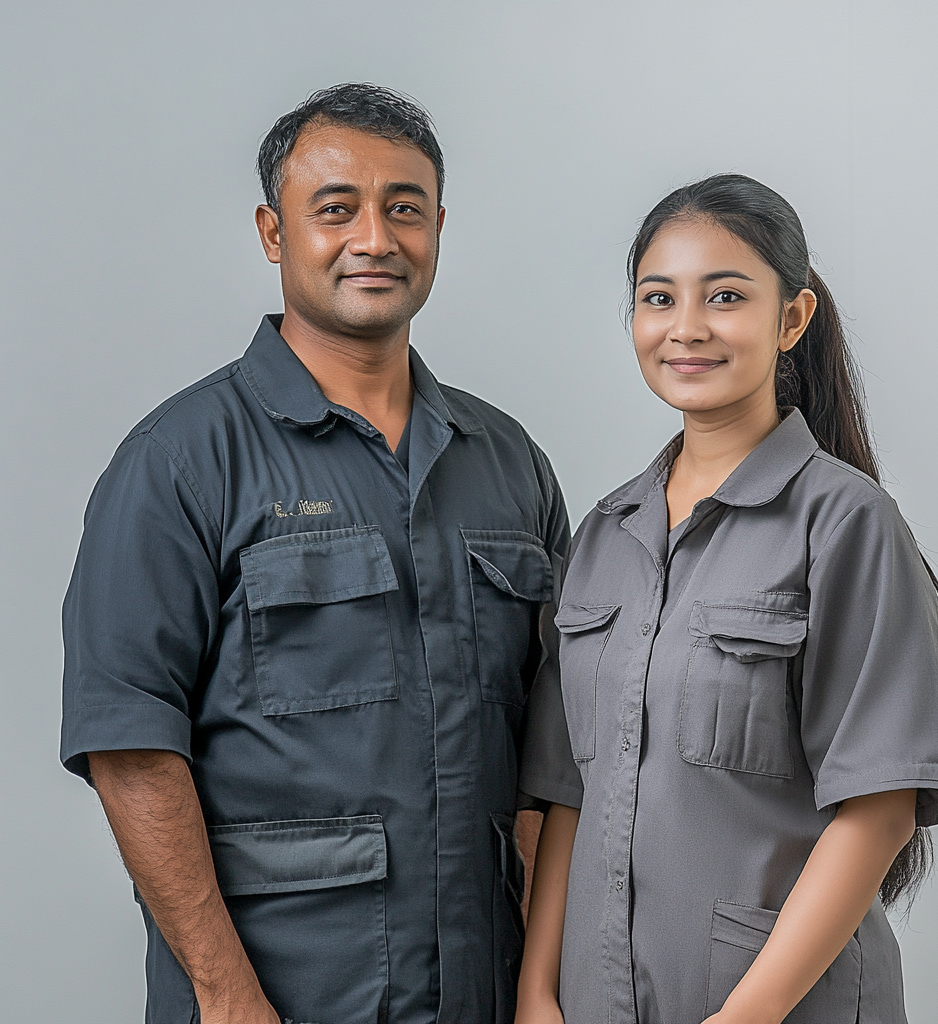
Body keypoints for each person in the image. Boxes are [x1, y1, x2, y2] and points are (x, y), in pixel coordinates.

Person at [61, 83, 569, 1024]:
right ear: (272, 232)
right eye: (335, 208)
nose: (374, 238)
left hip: (485, 991)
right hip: (287, 994)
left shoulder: (508, 465)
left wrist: (545, 980)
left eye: (404, 209)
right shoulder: (180, 463)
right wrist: (225, 996)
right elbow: (130, 749)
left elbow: (553, 751)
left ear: (439, 230)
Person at [515, 174, 938, 1024]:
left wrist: (740, 1020)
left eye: (725, 296)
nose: (686, 328)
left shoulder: (844, 523)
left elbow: (879, 811)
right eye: (658, 298)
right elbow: (568, 793)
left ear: (791, 319)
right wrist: (540, 993)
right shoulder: (604, 537)